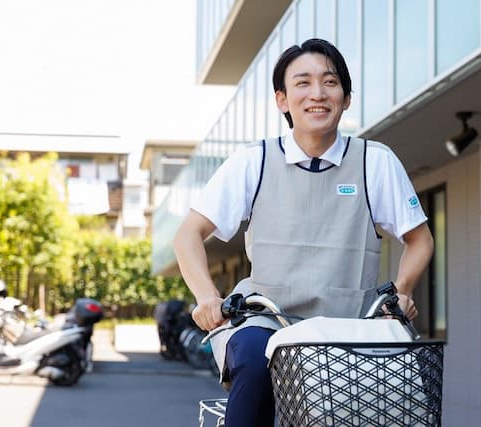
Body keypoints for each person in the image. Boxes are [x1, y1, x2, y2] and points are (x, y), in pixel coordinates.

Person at [173, 38, 434, 427]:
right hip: (267, 319)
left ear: (346, 98)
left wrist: (402, 291)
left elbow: (419, 239)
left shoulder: (375, 162)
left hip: (352, 323)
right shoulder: (254, 161)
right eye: (303, 83)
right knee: (254, 362)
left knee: (388, 403)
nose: (318, 94)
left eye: (330, 82)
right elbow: (188, 235)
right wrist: (207, 298)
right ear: (282, 100)